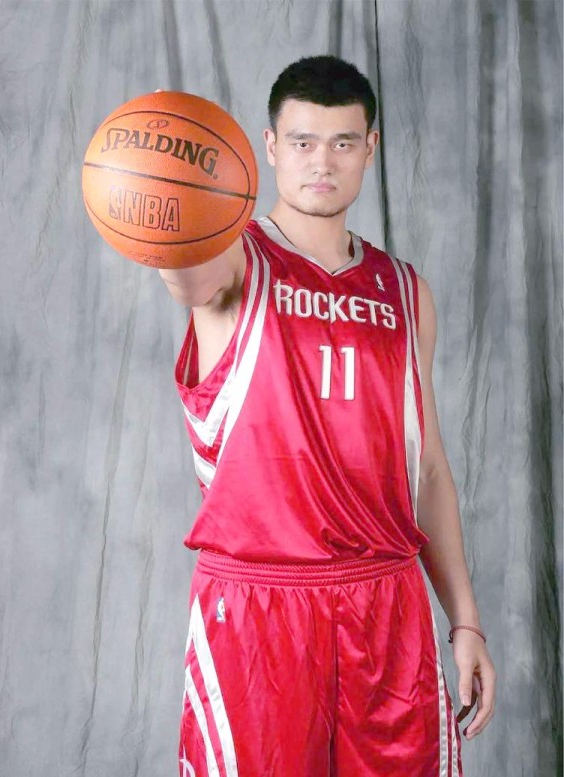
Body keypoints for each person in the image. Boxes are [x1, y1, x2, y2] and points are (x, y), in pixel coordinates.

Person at [158, 55, 496, 777]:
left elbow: (429, 468)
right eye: (303, 141)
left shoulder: (405, 291)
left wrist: (465, 619)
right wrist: (158, 202)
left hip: (387, 601)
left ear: (370, 148)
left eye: (343, 142)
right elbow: (184, 272)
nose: (322, 161)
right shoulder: (232, 259)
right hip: (262, 602)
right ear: (271, 147)